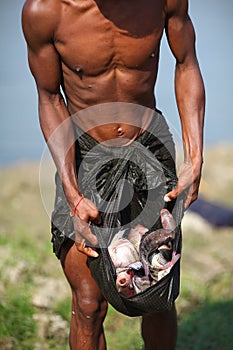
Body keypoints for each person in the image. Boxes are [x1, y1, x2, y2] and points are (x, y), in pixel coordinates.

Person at [22, 0, 205, 349]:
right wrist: (72, 190)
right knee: (89, 303)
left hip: (150, 146)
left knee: (156, 292)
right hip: (86, 155)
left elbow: (187, 63)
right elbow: (49, 97)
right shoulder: (44, 12)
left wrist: (194, 158)